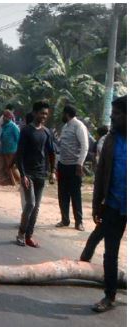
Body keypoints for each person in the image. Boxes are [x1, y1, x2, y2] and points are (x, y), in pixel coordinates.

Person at [89, 95, 126, 313]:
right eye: (113, 113)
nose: (113, 117)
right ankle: (109, 296)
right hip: (113, 204)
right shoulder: (110, 140)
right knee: (110, 253)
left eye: (119, 113)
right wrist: (96, 205)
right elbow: (101, 173)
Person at [15, 100, 56, 248]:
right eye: (41, 113)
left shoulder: (46, 132)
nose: (44, 116)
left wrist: (52, 171)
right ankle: (21, 233)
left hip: (41, 174)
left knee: (36, 207)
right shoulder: (26, 131)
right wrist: (23, 175)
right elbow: (19, 155)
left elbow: (51, 153)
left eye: (46, 113)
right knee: (30, 204)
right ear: (34, 113)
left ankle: (29, 236)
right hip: (28, 174)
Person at [55, 104, 89, 231]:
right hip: (63, 165)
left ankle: (79, 222)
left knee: (75, 194)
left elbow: (85, 146)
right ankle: (65, 220)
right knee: (62, 194)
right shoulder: (65, 127)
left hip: (74, 166)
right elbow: (62, 145)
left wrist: (80, 163)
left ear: (66, 114)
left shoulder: (79, 126)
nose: (62, 116)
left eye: (63, 114)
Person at [0, 110, 20, 190]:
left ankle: (21, 183)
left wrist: (18, 152)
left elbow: (18, 139)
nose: (4, 118)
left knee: (12, 168)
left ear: (10, 117)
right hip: (2, 150)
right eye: (4, 116)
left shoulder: (14, 127)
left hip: (11, 151)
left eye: (6, 116)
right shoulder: (3, 126)